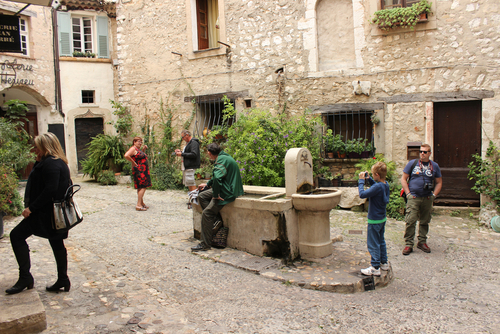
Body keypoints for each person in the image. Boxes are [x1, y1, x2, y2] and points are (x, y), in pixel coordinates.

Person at [6, 133, 72, 294]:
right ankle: (63, 279)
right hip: (52, 213)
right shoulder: (57, 162)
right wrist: (38, 161)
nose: (35, 149)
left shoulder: (51, 164)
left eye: (37, 146)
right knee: (57, 243)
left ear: (45, 146)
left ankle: (25, 277)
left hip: (45, 213)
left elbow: (50, 189)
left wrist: (31, 208)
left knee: (16, 235)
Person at [191, 143, 244, 252]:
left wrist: (215, 195)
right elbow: (216, 178)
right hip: (228, 187)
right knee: (202, 195)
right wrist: (207, 184)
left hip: (227, 191)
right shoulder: (223, 157)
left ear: (209, 153)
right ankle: (216, 220)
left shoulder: (220, 161)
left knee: (206, 214)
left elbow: (218, 179)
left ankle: (205, 244)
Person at [400, 144, 442, 255]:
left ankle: (422, 242)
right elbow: (404, 179)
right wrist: (408, 194)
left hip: (427, 197)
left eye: (425, 152)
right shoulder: (412, 164)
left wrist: (434, 195)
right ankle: (409, 244)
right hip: (414, 197)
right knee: (410, 220)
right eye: (421, 151)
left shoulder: (434, 166)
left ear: (430, 153)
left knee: (425, 221)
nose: (422, 154)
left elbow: (439, 182)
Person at [358, 162, 391, 276]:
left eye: (373, 174)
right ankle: (384, 262)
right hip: (382, 219)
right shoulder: (385, 184)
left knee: (373, 243)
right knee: (381, 241)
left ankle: (375, 267)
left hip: (374, 220)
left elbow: (362, 194)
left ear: (377, 174)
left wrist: (361, 181)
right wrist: (370, 179)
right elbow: (376, 187)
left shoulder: (378, 187)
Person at [124, 137, 152, 211]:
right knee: (143, 186)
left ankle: (141, 203)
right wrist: (133, 162)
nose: (140, 143)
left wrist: (143, 149)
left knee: (140, 187)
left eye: (141, 142)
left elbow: (139, 156)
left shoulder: (137, 149)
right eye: (138, 141)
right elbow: (126, 155)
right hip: (140, 170)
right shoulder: (133, 148)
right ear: (134, 142)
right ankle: (138, 205)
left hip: (143, 170)